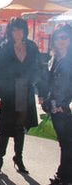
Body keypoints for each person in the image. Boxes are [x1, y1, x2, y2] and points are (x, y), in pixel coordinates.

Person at [0, 17, 41, 175]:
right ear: (10, 31)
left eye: (19, 29)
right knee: (5, 128)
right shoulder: (5, 48)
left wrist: (40, 89)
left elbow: (38, 68)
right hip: (8, 92)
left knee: (20, 128)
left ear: (25, 30)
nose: (17, 32)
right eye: (14, 29)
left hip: (25, 92)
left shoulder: (32, 47)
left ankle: (18, 159)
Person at [42, 24, 72, 185]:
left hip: (65, 108)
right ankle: (64, 175)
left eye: (65, 37)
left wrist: (66, 103)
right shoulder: (55, 58)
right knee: (64, 144)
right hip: (55, 107)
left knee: (68, 144)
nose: (61, 41)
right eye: (58, 37)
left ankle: (64, 177)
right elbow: (51, 82)